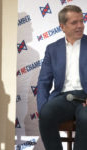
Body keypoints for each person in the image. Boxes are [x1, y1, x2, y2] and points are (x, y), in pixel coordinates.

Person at [37, 5, 87, 150]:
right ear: (62, 26)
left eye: (81, 21)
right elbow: (43, 82)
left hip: (85, 98)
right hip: (63, 98)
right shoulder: (52, 49)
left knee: (85, 118)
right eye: (74, 23)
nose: (80, 26)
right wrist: (42, 107)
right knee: (46, 114)